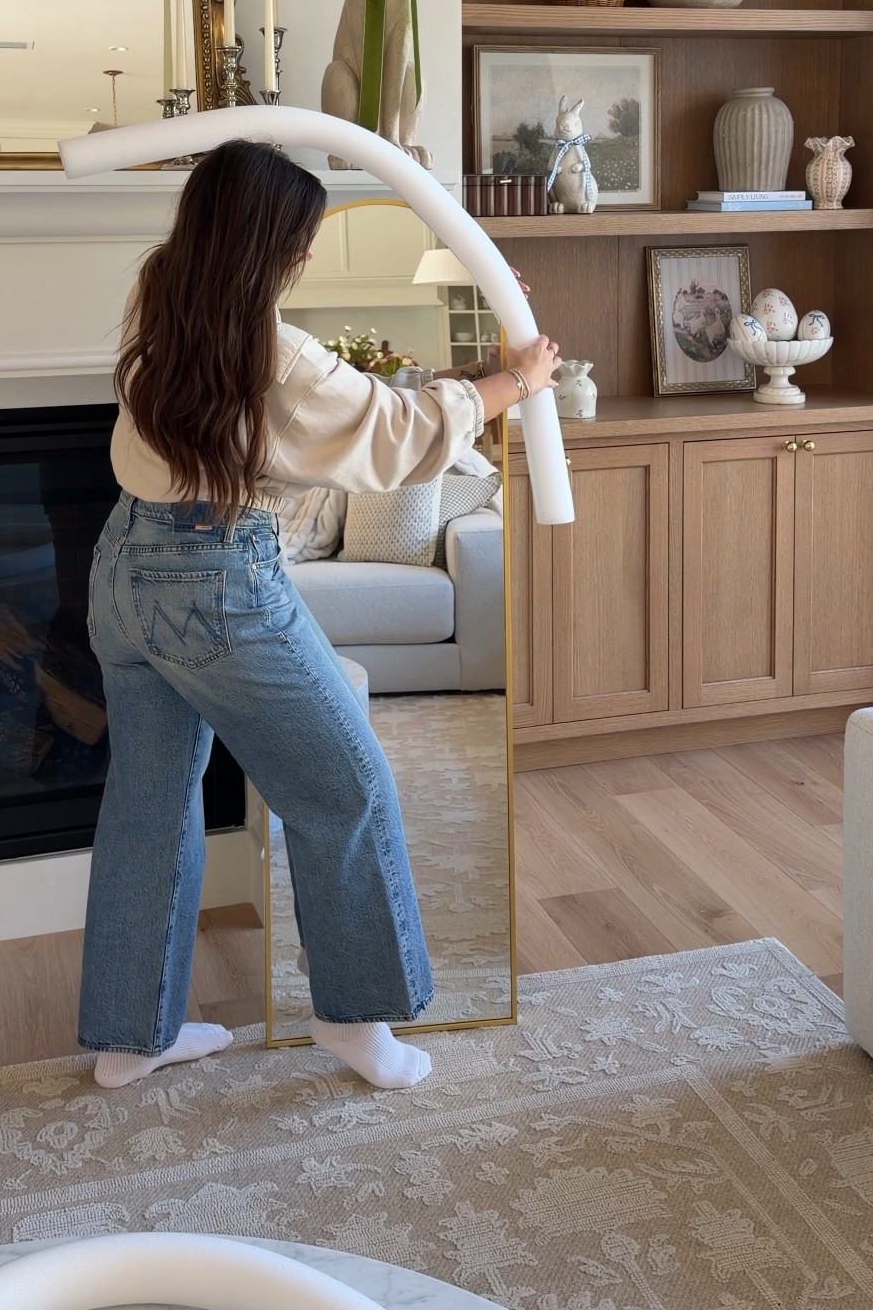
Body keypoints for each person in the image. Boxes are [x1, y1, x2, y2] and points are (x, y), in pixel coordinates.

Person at [79, 141, 559, 1092]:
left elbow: (357, 409)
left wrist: (480, 367)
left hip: (121, 571)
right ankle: (356, 1021)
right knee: (347, 784)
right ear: (275, 247)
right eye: (298, 241)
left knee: (149, 800)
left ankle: (130, 1041)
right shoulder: (277, 355)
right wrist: (519, 380)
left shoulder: (161, 297)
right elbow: (392, 432)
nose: (302, 257)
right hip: (214, 580)